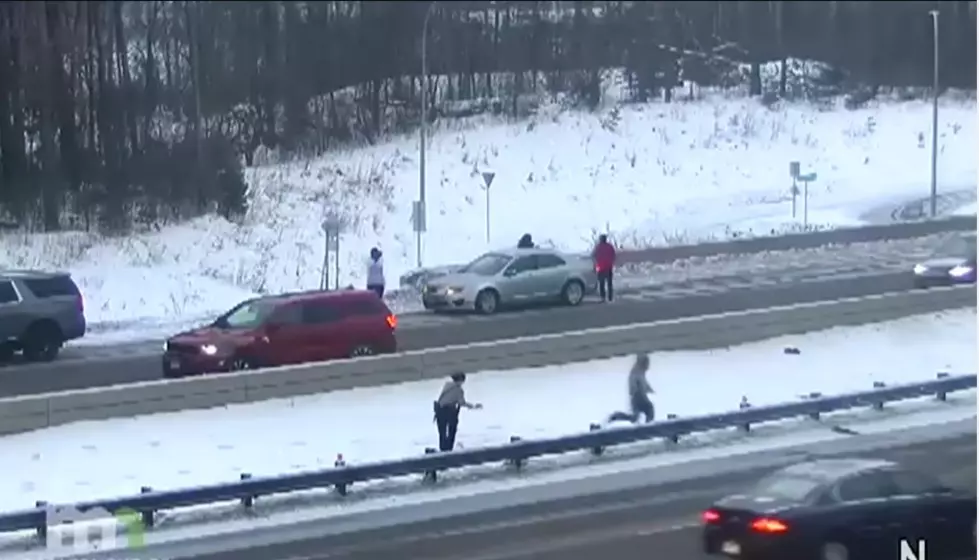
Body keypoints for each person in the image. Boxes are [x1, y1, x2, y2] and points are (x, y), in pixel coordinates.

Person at [433, 372, 482, 452]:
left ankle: (443, 449)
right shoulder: (458, 390)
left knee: (442, 433)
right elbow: (462, 403)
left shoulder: (447, 386)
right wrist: (473, 406)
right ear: (461, 380)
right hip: (449, 412)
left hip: (439, 411)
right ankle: (448, 450)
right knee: (451, 431)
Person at [608, 353, 655, 424]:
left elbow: (644, 382)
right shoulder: (636, 371)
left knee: (638, 416)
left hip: (640, 396)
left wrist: (649, 389)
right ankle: (616, 416)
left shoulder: (641, 371)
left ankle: (648, 424)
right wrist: (636, 390)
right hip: (637, 397)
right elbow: (635, 382)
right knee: (645, 412)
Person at [592, 234, 617, 302]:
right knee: (609, 283)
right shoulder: (610, 246)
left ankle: (603, 297)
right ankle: (610, 297)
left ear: (600, 239)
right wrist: (611, 262)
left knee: (601, 283)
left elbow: (593, 255)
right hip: (609, 267)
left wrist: (595, 265)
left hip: (601, 267)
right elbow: (614, 255)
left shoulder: (598, 247)